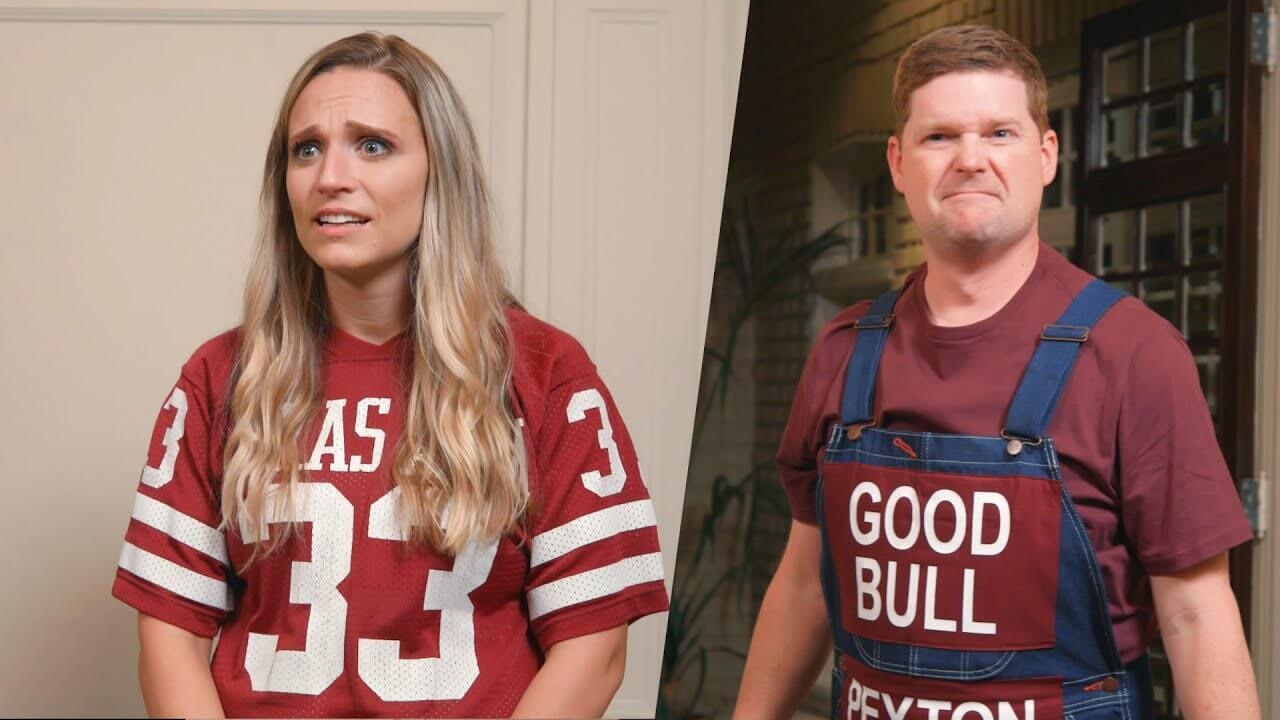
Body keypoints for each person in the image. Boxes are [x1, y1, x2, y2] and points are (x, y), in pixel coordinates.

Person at [111, 32, 668, 719]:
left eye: (372, 145)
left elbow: (593, 647)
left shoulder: (546, 374)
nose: (330, 176)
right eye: (306, 149)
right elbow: (170, 639)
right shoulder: (219, 378)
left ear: (440, 173)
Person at [733, 24, 1259, 720]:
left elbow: (1195, 611)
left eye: (1000, 133)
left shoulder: (1134, 352)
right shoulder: (843, 350)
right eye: (939, 136)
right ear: (898, 163)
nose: (970, 159)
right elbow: (806, 580)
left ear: (1046, 156)